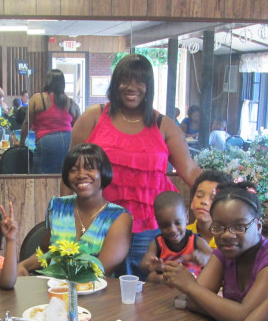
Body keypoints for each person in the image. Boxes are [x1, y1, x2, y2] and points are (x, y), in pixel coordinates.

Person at [69, 53, 201, 279]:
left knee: (146, 299)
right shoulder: (93, 117)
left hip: (151, 231)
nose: (132, 87)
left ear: (149, 86)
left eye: (140, 81)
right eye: (126, 80)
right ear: (115, 83)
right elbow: (70, 171)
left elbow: (189, 172)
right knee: (97, 290)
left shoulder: (164, 125)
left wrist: (224, 192)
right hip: (100, 224)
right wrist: (69, 220)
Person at [163, 182, 268, 321]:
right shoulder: (224, 254)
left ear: (258, 226)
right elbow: (195, 301)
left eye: (238, 227)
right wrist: (228, 311)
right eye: (218, 227)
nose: (227, 234)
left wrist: (190, 286)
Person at [18, 143, 132, 276]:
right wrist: (22, 265)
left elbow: (100, 271)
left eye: (90, 168)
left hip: (96, 292)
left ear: (103, 172)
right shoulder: (56, 207)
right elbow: (46, 253)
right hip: (54, 290)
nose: (81, 175)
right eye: (74, 169)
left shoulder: (119, 218)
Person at [139, 191, 210, 284]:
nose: (172, 229)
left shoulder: (196, 241)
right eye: (165, 225)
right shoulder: (158, 243)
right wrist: (152, 265)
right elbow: (143, 265)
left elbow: (213, 259)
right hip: (167, 284)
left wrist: (203, 258)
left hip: (192, 285)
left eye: (178, 223)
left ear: (186, 218)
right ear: (158, 224)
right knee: (152, 277)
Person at [20, 69, 81, 174]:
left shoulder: (37, 99)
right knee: (66, 176)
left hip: (47, 141)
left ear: (47, 81)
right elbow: (80, 128)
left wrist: (21, 144)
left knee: (41, 179)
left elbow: (26, 123)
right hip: (69, 142)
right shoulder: (71, 103)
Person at [187, 169, 233, 248]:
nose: (204, 201)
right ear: (192, 203)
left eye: (213, 198)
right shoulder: (181, 235)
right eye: (199, 196)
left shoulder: (230, 240)